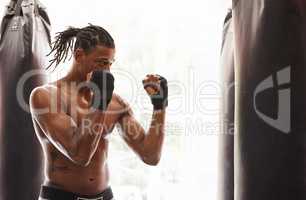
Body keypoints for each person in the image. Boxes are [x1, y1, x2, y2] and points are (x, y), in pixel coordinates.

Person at [29, 24, 168, 200]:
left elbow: (150, 156)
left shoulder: (116, 103)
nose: (107, 70)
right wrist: (100, 102)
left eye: (110, 63)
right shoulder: (45, 97)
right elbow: (80, 155)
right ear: (79, 55)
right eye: (101, 63)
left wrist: (160, 106)